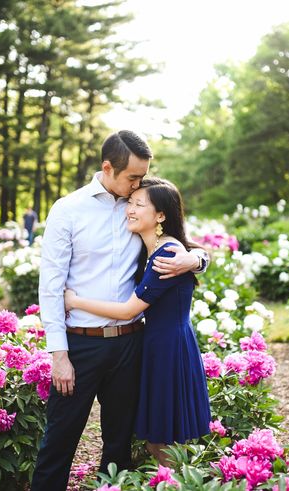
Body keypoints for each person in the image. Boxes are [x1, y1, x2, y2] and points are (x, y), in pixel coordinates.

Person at [31, 130, 209, 491]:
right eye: (132, 178)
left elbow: (179, 237)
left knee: (119, 445)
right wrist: (59, 355)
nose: (137, 186)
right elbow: (51, 288)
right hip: (81, 345)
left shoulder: (140, 208)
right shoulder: (69, 210)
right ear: (108, 167)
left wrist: (197, 259)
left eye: (142, 178)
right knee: (59, 442)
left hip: (131, 344)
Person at [64, 177, 211, 466]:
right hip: (159, 342)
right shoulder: (151, 247)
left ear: (160, 215)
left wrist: (75, 301)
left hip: (167, 347)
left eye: (138, 204)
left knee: (162, 437)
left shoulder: (166, 255)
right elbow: (199, 250)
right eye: (129, 202)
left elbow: (129, 309)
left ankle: (176, 484)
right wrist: (198, 258)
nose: (129, 209)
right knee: (158, 434)